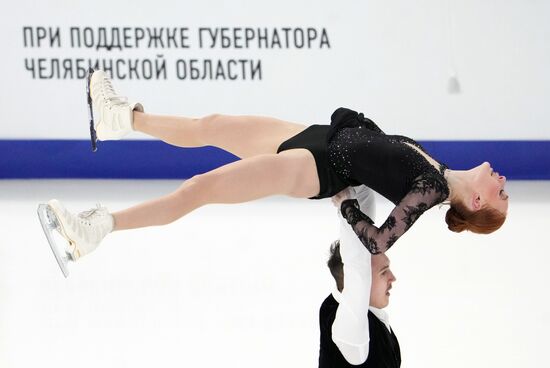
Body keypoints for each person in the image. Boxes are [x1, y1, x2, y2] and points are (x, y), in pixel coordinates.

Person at [41, 69, 508, 261]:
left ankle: (94, 231)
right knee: (212, 123)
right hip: (318, 137)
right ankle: (120, 117)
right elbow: (381, 152)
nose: (503, 182)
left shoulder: (430, 189)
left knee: (200, 187)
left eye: (501, 194)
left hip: (316, 169)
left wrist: (346, 206)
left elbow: (381, 241)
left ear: (479, 200)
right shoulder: (439, 167)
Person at [319, 186, 400, 367]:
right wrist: (345, 208)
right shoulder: (349, 330)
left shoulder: (352, 308)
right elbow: (356, 266)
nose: (392, 278)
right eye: (383, 271)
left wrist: (360, 185)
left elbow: (360, 248)